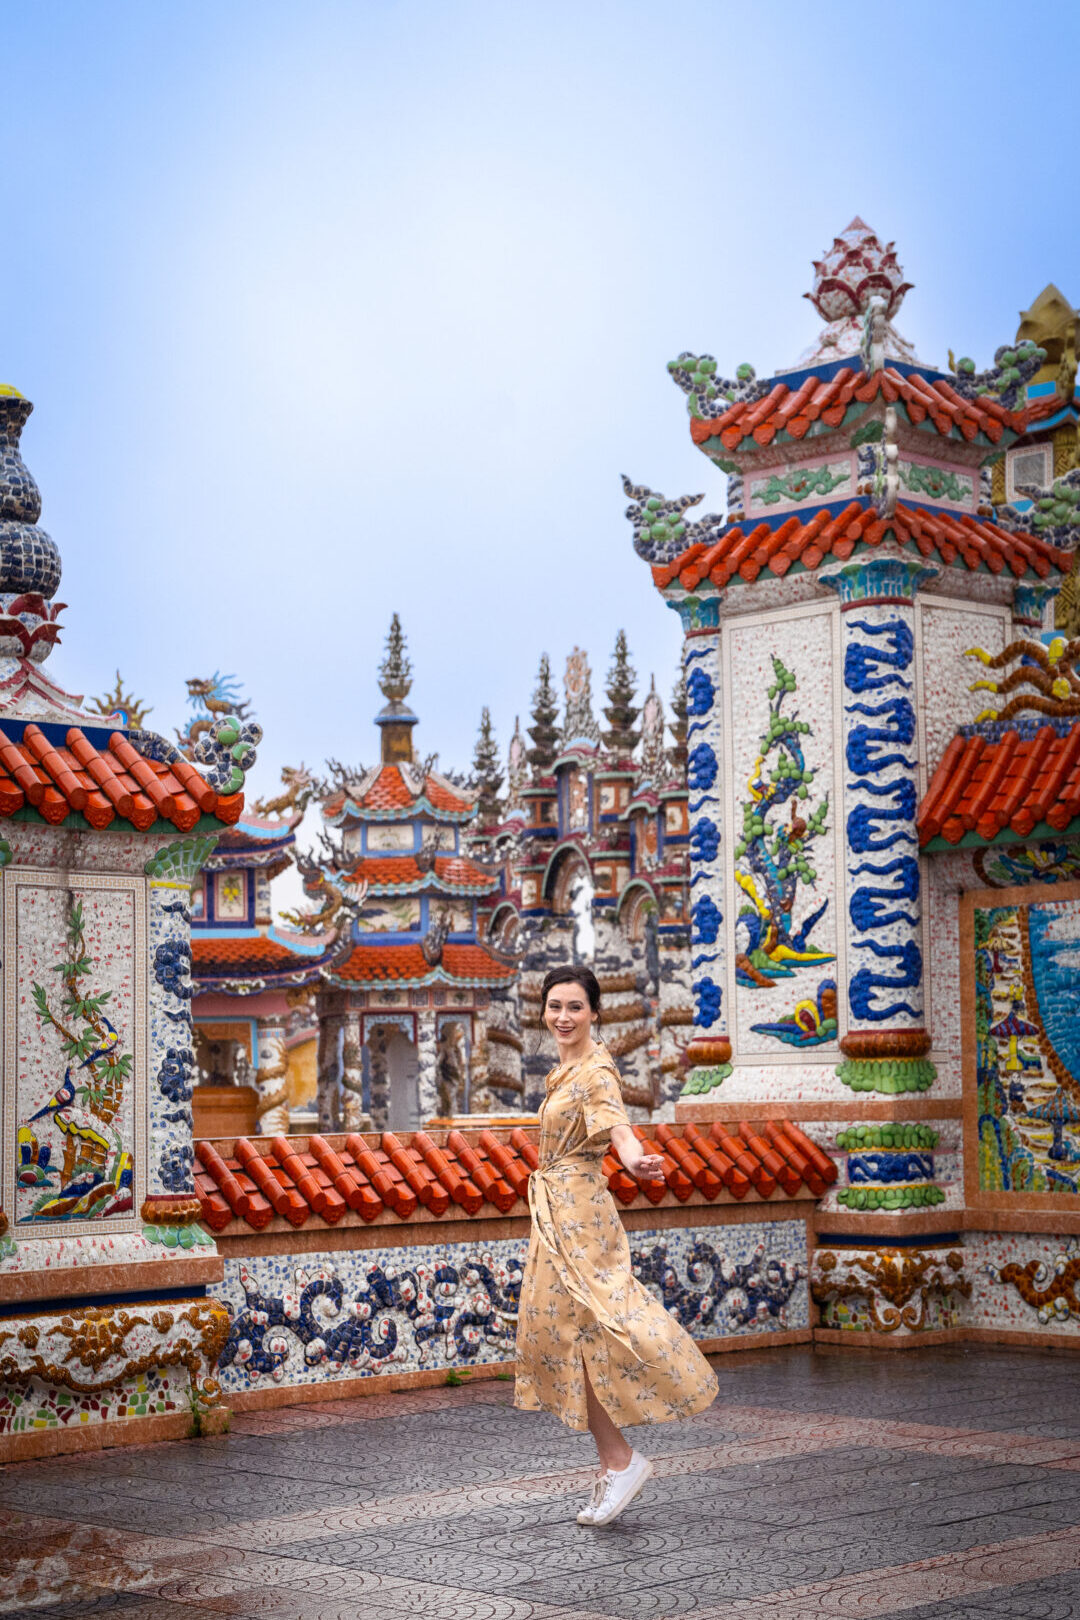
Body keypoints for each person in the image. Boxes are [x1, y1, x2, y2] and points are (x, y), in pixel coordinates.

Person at [514, 965, 718, 1526]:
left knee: (598, 1325)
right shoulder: (566, 1068)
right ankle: (615, 1459)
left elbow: (619, 1130)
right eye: (555, 1006)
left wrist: (635, 1161)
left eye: (575, 1007)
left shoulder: (597, 1072)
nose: (563, 1016)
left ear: (595, 1013)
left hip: (580, 1216)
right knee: (566, 1336)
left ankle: (622, 1457)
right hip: (558, 1210)